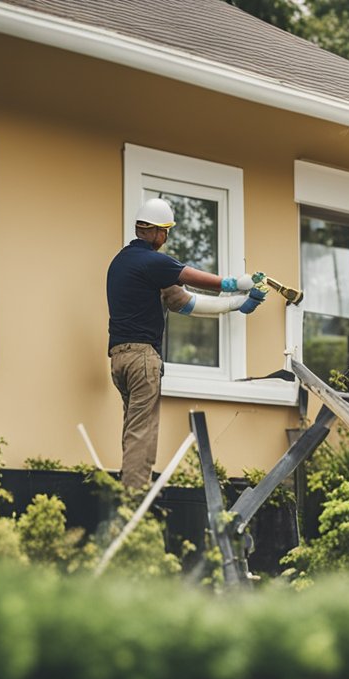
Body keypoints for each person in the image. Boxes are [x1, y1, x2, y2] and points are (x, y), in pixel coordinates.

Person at [106, 197, 268, 492]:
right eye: (165, 231)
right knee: (143, 433)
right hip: (143, 359)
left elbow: (185, 302)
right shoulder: (152, 261)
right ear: (156, 231)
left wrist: (237, 305)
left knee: (133, 431)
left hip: (119, 360)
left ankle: (126, 493)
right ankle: (134, 502)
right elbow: (189, 276)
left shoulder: (122, 263)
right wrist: (232, 283)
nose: (166, 238)